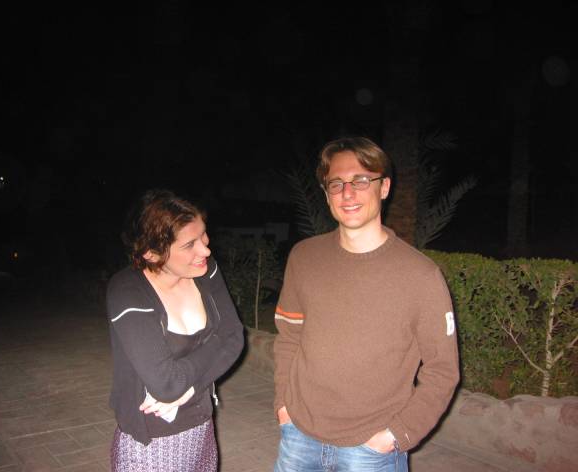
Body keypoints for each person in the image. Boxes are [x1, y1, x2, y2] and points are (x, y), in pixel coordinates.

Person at [273, 137, 460, 472]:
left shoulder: (421, 275)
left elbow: (442, 371)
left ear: (384, 187)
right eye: (336, 183)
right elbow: (288, 337)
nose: (348, 193)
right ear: (326, 193)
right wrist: (283, 406)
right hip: (299, 436)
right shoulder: (304, 257)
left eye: (361, 181)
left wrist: (397, 434)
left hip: (371, 451)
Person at [107, 189, 244, 472]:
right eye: (189, 244)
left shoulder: (205, 271)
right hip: (151, 443)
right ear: (152, 253)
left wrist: (190, 387)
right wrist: (215, 345)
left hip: (202, 428)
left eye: (203, 235)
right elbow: (166, 384)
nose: (205, 250)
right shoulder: (128, 291)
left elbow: (234, 337)